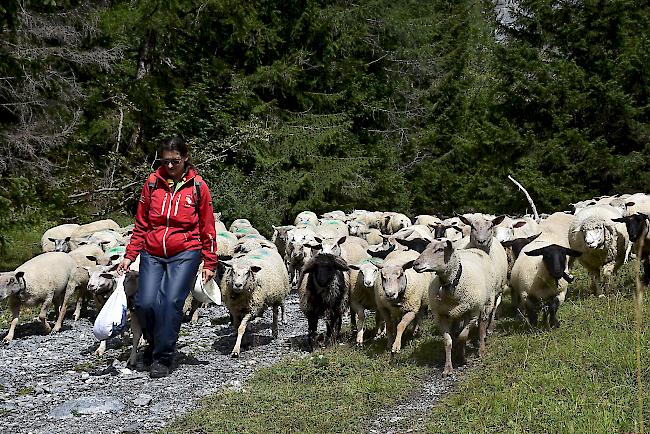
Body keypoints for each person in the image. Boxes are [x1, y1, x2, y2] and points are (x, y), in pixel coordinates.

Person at [117, 136, 217, 378]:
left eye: (175, 161)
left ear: (185, 158)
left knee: (170, 301)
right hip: (152, 251)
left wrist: (209, 261)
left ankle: (163, 357)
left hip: (185, 252)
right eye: (165, 161)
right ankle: (154, 343)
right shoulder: (152, 183)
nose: (170, 166)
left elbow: (207, 226)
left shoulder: (197, 187)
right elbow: (141, 223)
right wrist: (130, 255)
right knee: (144, 302)